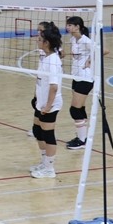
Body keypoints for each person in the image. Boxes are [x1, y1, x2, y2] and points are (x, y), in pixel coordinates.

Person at [30, 24, 64, 178]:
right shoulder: (46, 58)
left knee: (48, 134)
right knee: (38, 131)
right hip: (41, 102)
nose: (38, 42)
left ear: (47, 43)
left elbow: (54, 86)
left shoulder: (53, 61)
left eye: (40, 40)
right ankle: (44, 163)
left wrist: (48, 106)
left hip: (50, 104)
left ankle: (49, 169)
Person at [64, 16, 94, 152]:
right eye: (67, 25)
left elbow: (104, 51)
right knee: (80, 109)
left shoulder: (85, 40)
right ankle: (83, 138)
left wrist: (89, 61)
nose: (67, 27)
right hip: (76, 77)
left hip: (85, 78)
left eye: (70, 25)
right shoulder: (73, 39)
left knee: (74, 109)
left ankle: (82, 141)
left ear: (77, 27)